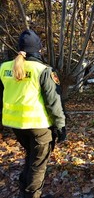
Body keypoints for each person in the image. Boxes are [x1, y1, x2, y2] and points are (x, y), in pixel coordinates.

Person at [0, 29, 66, 198]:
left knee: (32, 157)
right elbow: (54, 102)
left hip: (15, 124)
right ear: (38, 49)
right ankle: (31, 194)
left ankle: (24, 189)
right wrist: (61, 126)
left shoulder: (4, 68)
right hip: (39, 126)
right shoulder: (43, 70)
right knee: (38, 165)